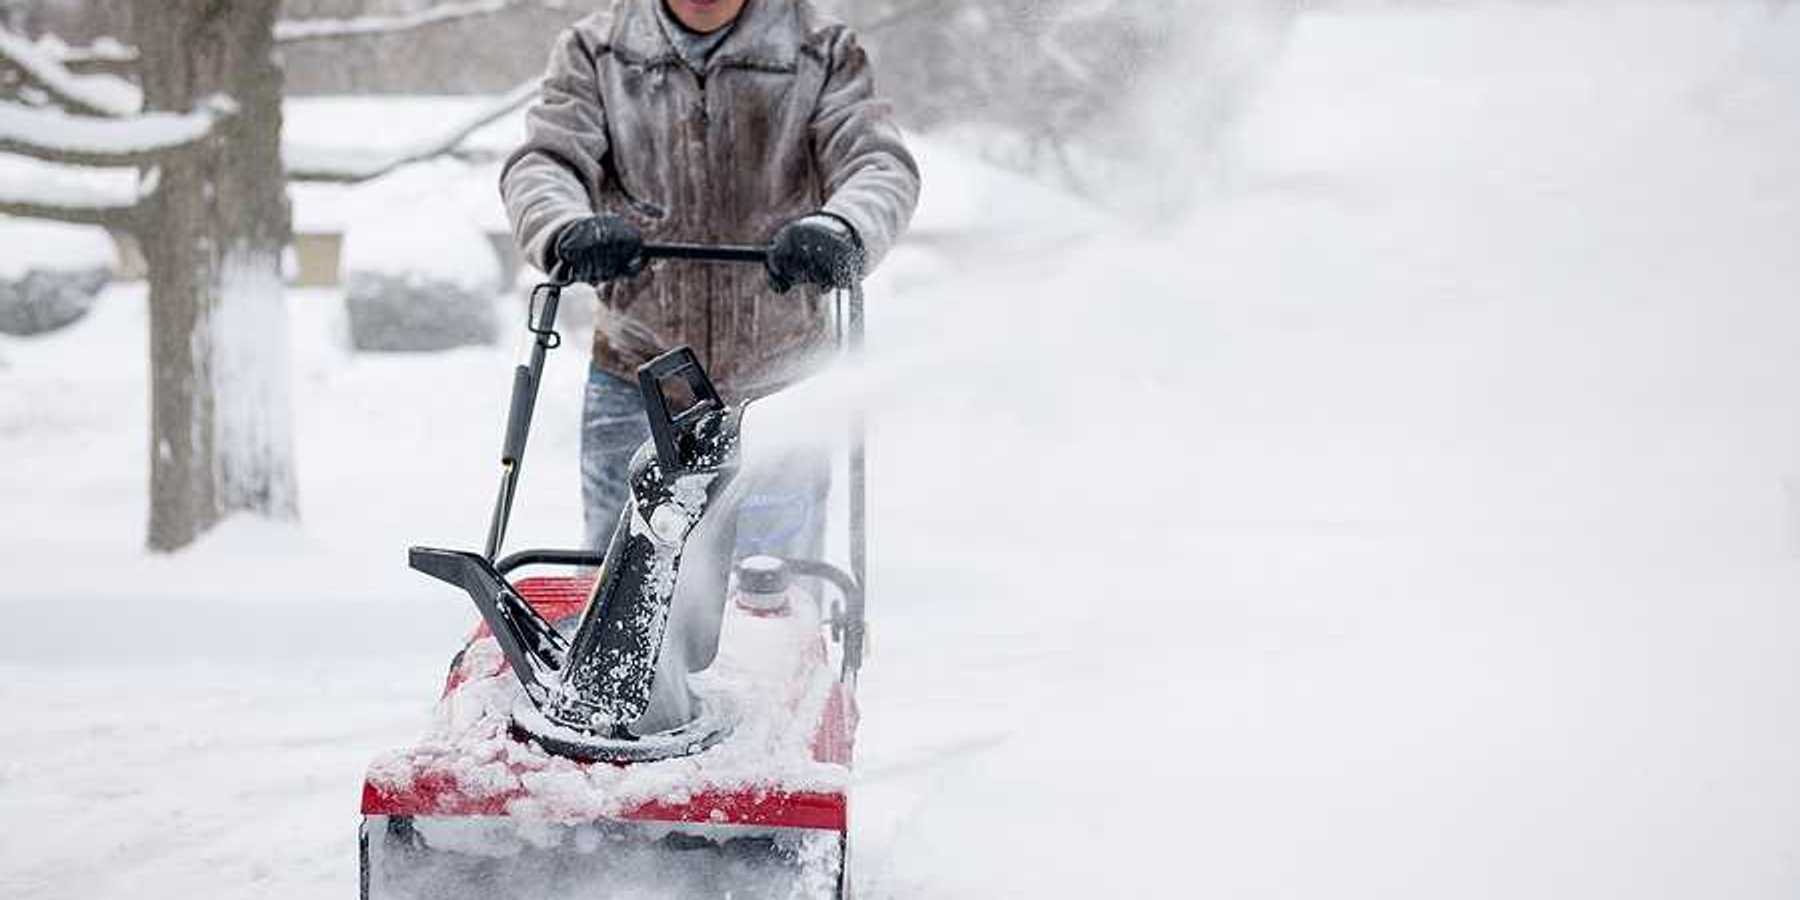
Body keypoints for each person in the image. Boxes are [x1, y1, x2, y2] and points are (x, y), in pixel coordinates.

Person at [501, 0, 919, 557]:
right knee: (621, 590)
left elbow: (878, 164)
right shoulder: (599, 51)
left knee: (772, 591)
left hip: (779, 381)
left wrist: (840, 226)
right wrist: (566, 226)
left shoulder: (820, 49)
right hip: (636, 374)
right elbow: (545, 161)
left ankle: (769, 642)